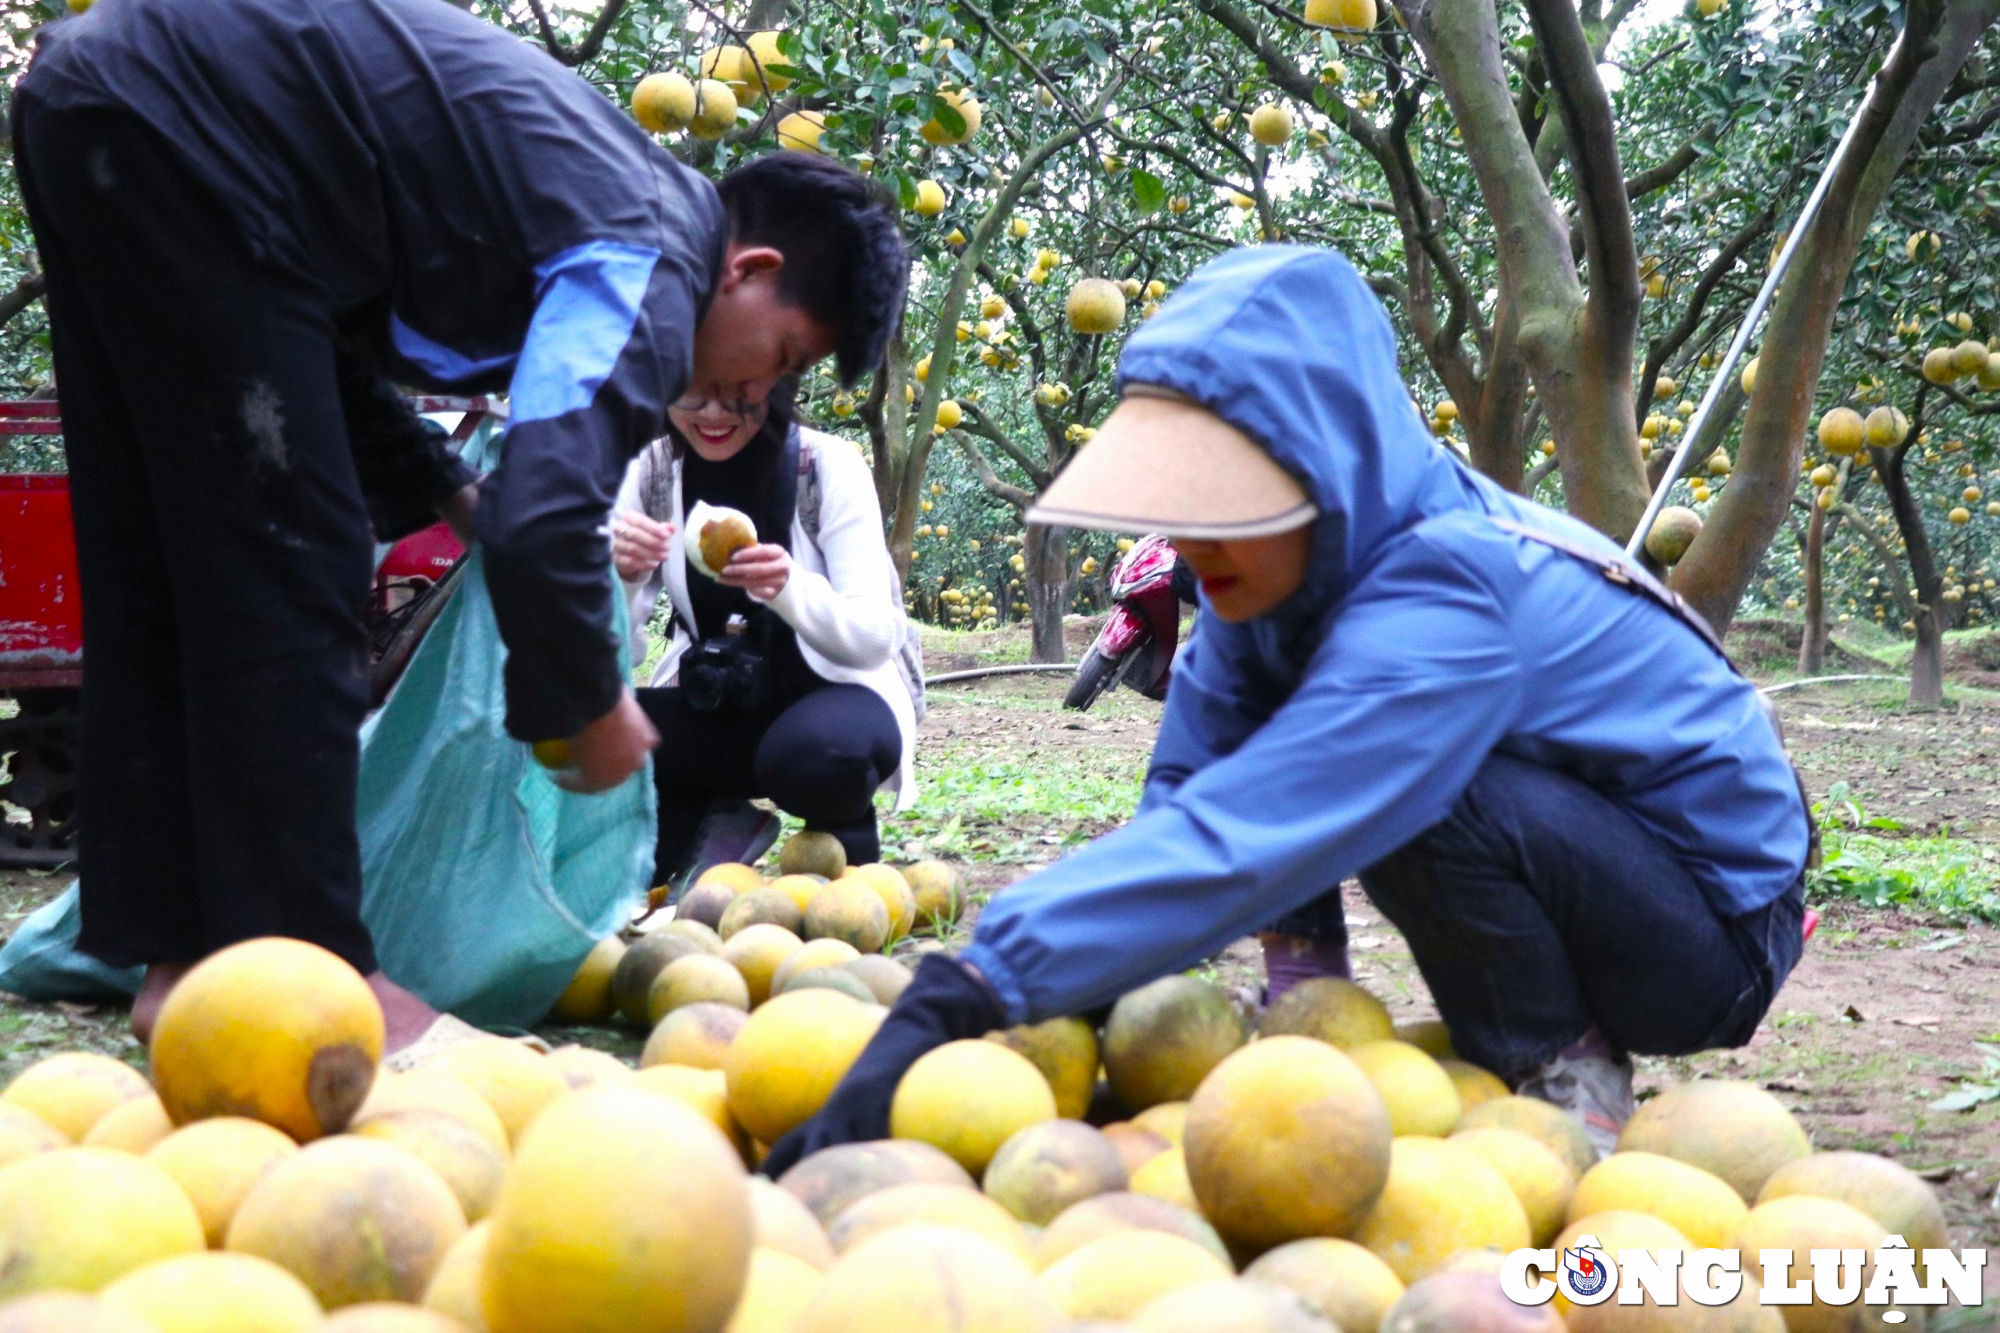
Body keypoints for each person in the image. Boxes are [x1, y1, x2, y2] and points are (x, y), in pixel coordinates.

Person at [764, 245, 1812, 1174]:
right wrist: (1084, 996)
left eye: (1229, 498)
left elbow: (1251, 833)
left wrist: (972, 982)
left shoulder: (1446, 592)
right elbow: (1188, 807)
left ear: (1323, 472)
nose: (1194, 537)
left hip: (1708, 934)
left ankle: (1558, 1080)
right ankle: (1309, 1003)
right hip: (1592, 862)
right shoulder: (1254, 587)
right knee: (1307, 761)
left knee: (1418, 790)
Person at [11, 0, 908, 1049]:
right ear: (749, 273)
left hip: (96, 97)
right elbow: (550, 498)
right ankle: (318, 972)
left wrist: (451, 490)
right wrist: (582, 696)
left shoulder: (593, 203)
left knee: (163, 564)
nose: (761, 385)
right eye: (788, 355)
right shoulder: (657, 256)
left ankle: (182, 961)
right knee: (301, 564)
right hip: (193, 123)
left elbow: (315, 342)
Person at [610, 387, 917, 886]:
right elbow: (607, 654)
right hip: (718, 705)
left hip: (838, 699)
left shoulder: (825, 466)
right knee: (588, 729)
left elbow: (874, 638)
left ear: (775, 380)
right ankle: (715, 821)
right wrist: (619, 576)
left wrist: (788, 587)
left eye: (737, 392)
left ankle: (845, 851)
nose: (712, 410)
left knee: (816, 758)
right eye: (691, 392)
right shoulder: (652, 473)